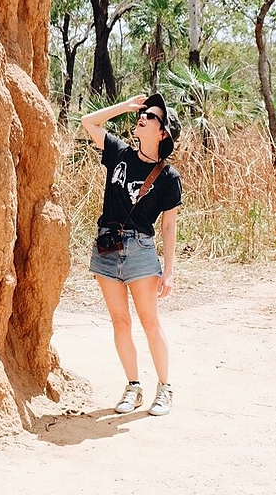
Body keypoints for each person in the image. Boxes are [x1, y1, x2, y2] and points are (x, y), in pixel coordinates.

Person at [80, 92, 182, 417]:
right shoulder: (119, 154)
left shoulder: (168, 177)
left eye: (150, 116)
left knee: (150, 322)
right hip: (107, 244)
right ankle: (133, 386)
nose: (143, 117)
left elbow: (168, 226)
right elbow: (88, 122)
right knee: (120, 322)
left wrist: (169, 270)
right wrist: (124, 107)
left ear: (162, 132)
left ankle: (165, 389)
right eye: (143, 113)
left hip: (140, 249)